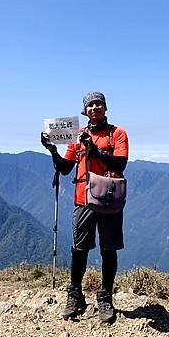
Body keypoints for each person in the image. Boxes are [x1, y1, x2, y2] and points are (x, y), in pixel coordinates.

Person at [41, 91, 129, 323]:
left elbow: (121, 163)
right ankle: (75, 294)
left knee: (108, 250)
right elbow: (65, 168)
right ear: (85, 111)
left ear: (105, 108)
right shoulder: (77, 136)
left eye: (98, 103)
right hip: (83, 199)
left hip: (108, 199)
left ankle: (105, 298)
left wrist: (95, 151)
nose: (94, 107)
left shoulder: (117, 134)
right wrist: (52, 150)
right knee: (79, 249)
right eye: (90, 105)